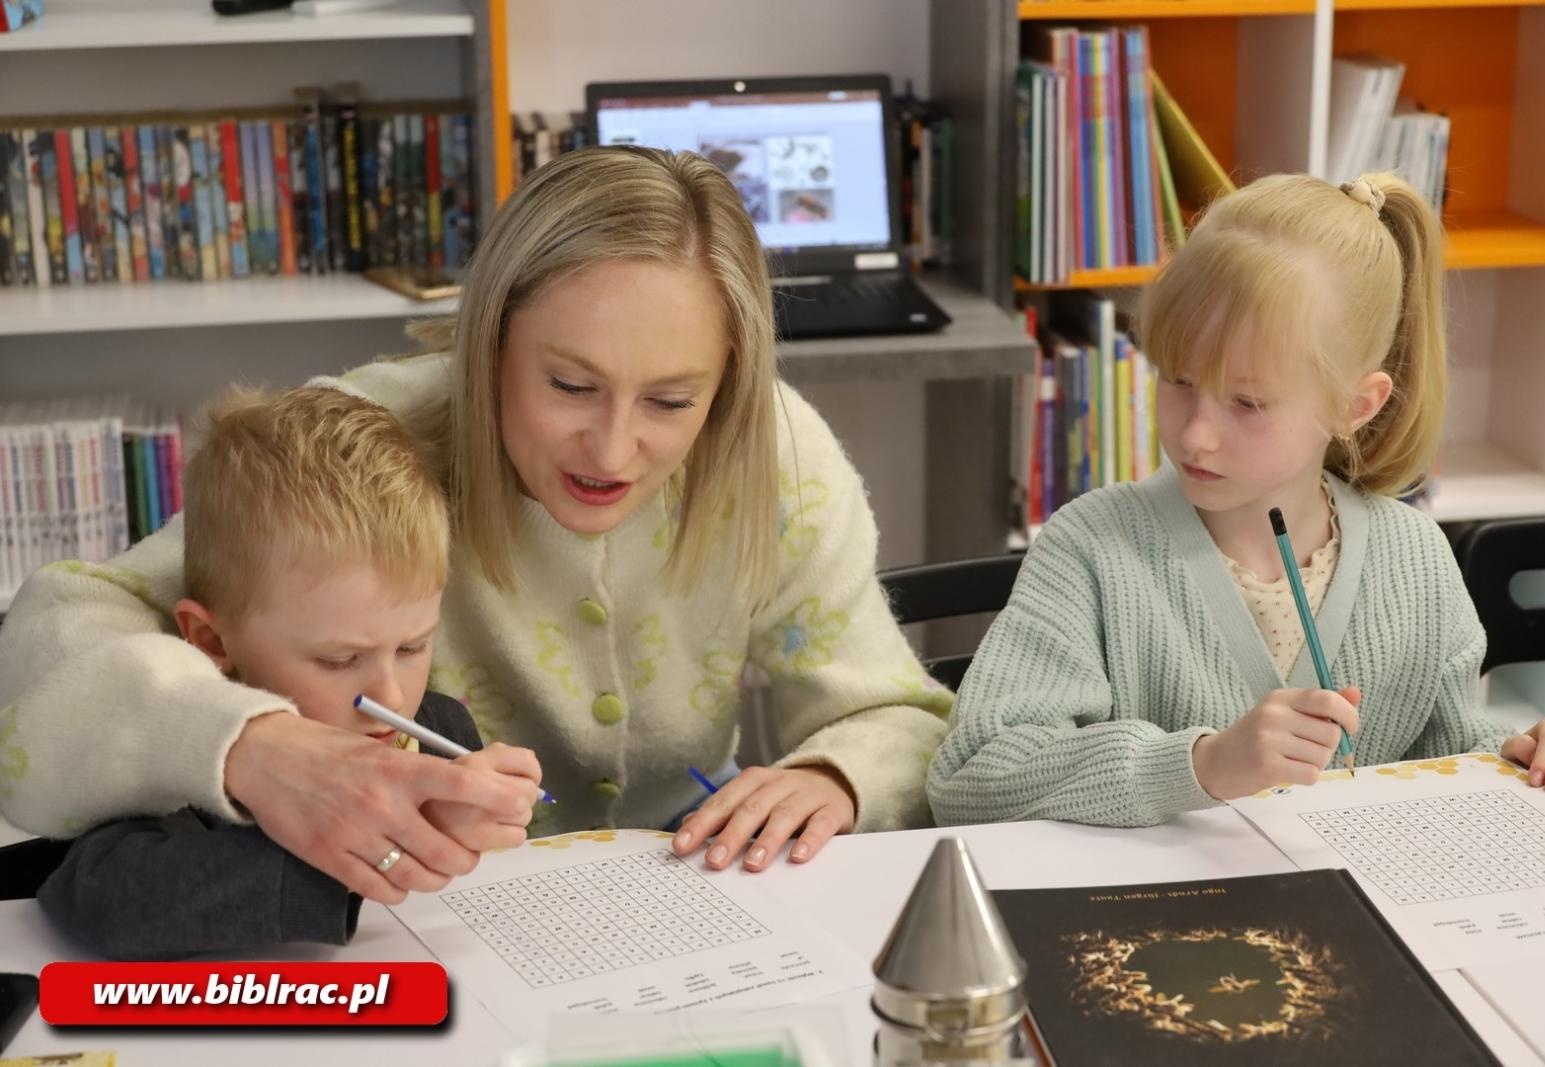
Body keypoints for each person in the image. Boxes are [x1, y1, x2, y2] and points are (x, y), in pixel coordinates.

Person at [0, 146, 951, 905]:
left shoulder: (774, 452)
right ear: (489, 341)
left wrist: (836, 776)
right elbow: (54, 636)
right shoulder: (370, 441)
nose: (613, 448)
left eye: (671, 400)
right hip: (429, 914)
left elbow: (898, 714)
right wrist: (250, 745)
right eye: (569, 384)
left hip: (692, 892)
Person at [927, 172, 1545, 829]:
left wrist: (1521, 755)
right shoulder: (1091, 547)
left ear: (1354, 405)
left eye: (1247, 402)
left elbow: (1448, 752)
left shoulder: (1416, 559)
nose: (1196, 433)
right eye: (1178, 380)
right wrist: (1200, 764)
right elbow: (970, 778)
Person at [37, 387, 540, 958]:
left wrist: (489, 816)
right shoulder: (177, 762)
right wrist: (348, 853)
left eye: (412, 647)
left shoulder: (441, 728)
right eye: (339, 660)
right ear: (211, 641)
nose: (391, 695)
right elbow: (102, 901)